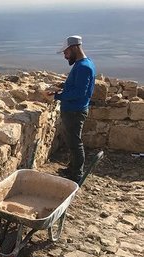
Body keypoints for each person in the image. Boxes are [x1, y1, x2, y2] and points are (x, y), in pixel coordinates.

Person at [49, 35, 96, 183]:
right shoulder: (83, 63)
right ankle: (72, 169)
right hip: (74, 109)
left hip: (75, 111)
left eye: (66, 52)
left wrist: (56, 96)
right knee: (71, 141)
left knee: (75, 143)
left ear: (75, 48)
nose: (65, 55)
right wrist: (63, 86)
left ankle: (76, 175)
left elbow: (79, 92)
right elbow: (77, 86)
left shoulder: (83, 67)